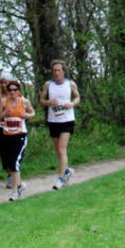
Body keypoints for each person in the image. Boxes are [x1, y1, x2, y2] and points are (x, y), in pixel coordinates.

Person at [40, 60, 80, 190]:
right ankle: (67, 171)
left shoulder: (70, 84)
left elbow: (77, 97)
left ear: (63, 71)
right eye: (54, 70)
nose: (56, 73)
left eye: (58, 70)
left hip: (67, 120)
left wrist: (72, 104)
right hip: (53, 120)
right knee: (58, 150)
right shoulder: (48, 85)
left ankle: (60, 179)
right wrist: (48, 102)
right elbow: (41, 100)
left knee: (62, 149)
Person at [0, 79, 36, 201]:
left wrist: (25, 115)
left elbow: (33, 113)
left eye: (15, 90)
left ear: (18, 91)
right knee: (9, 161)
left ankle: (15, 191)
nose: (12, 92)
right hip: (7, 134)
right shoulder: (3, 102)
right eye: (10, 90)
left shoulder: (24, 101)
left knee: (14, 162)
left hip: (20, 135)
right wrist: (4, 114)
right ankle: (20, 185)